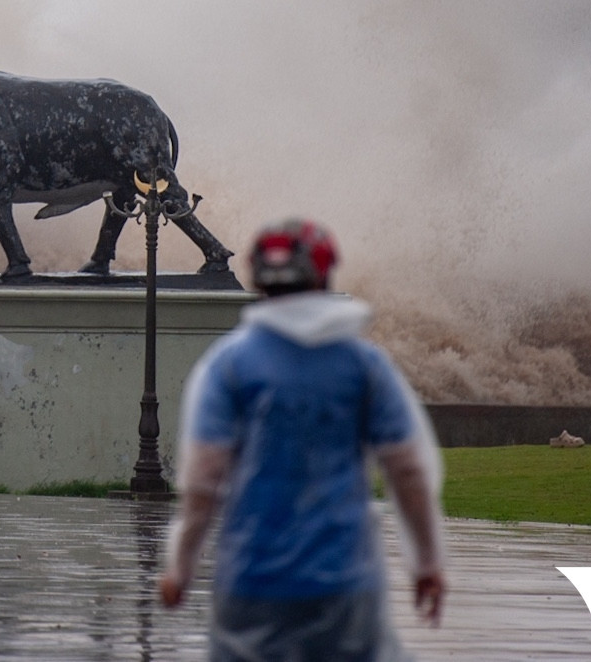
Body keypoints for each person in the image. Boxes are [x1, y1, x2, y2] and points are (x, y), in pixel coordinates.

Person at [158, 219, 446, 661]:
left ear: (256, 280)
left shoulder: (229, 365)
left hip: (251, 584)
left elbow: (202, 483)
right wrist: (426, 563)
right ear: (325, 275)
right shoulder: (364, 364)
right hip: (345, 583)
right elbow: (407, 470)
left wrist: (180, 567)